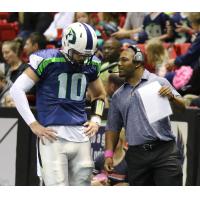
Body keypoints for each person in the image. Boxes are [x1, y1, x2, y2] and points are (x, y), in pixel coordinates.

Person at [10, 22, 106, 186]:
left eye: (86, 55)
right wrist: (33, 124)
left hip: (81, 135)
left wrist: (96, 119)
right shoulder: (48, 59)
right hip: (53, 135)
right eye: (79, 54)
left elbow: (99, 94)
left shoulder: (91, 62)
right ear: (67, 45)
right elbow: (16, 90)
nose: (83, 59)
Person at [104, 45, 186, 186]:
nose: (119, 64)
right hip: (137, 155)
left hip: (164, 151)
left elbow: (183, 107)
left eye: (124, 60)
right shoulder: (118, 96)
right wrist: (108, 155)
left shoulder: (159, 82)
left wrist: (172, 97)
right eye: (119, 60)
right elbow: (112, 127)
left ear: (138, 63)